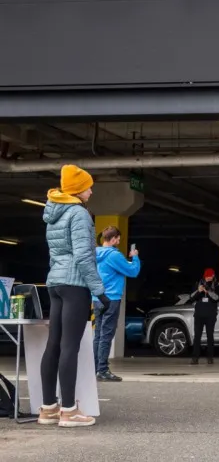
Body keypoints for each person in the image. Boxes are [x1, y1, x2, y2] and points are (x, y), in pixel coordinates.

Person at [39, 165, 110, 428]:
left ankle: (48, 409)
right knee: (70, 346)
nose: (91, 191)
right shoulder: (79, 214)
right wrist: (99, 290)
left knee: (54, 344)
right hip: (74, 285)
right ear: (78, 189)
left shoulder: (53, 213)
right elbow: (83, 256)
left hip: (55, 282)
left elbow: (55, 253)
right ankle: (69, 411)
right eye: (88, 186)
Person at [92, 226, 141, 382]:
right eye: (118, 239)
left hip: (97, 298)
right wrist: (135, 257)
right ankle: (103, 370)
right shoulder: (114, 255)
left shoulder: (95, 253)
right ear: (112, 239)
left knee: (98, 335)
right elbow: (133, 272)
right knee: (106, 335)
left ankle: (94, 368)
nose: (119, 241)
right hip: (112, 298)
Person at [188, 268, 219, 365]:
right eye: (207, 276)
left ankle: (210, 357)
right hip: (199, 315)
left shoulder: (217, 285)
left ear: (213, 276)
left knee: (210, 336)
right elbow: (191, 298)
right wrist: (198, 290)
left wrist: (208, 290)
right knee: (197, 336)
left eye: (210, 276)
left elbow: (217, 298)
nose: (208, 278)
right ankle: (195, 358)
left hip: (210, 315)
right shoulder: (198, 284)